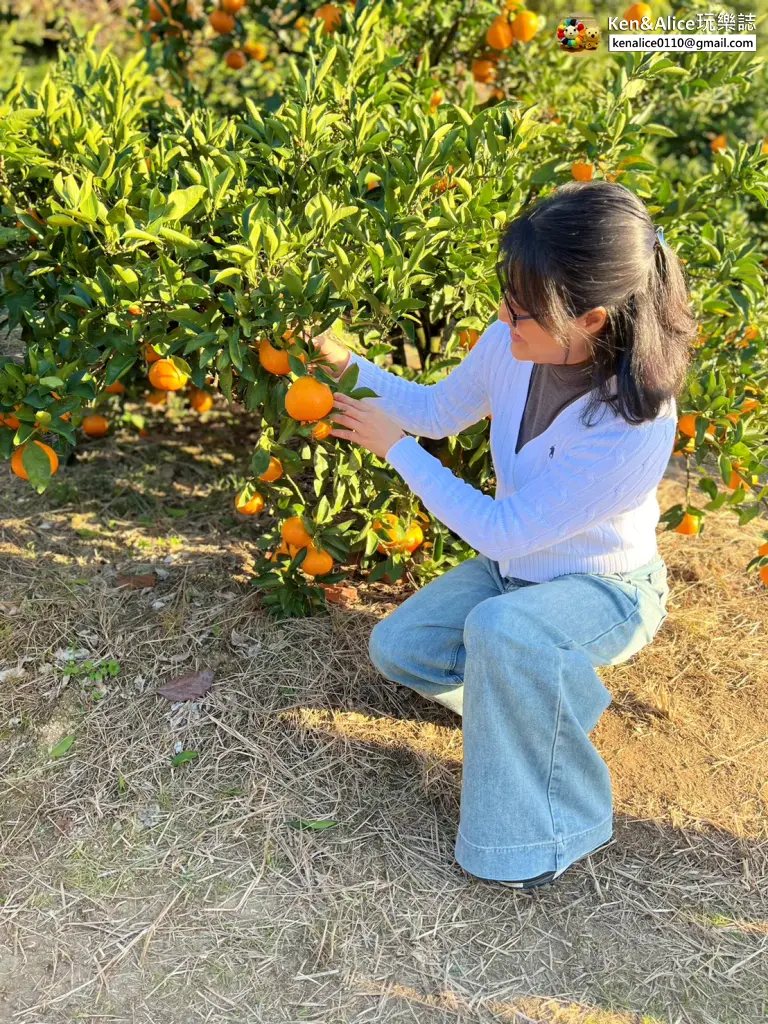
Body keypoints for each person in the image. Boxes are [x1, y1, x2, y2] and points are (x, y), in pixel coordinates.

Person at [312, 180, 698, 891]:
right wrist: (346, 366)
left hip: (604, 589)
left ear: (590, 319)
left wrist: (396, 452)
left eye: (523, 312)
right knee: (402, 648)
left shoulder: (633, 426)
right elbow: (434, 410)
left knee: (502, 632)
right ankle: (545, 708)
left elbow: (507, 529)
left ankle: (550, 829)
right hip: (516, 575)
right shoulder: (511, 345)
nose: (503, 317)